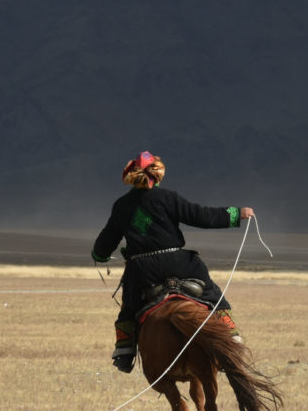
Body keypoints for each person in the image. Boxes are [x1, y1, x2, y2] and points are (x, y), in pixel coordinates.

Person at [92, 151, 254, 373]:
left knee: (129, 307)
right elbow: (200, 216)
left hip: (142, 269)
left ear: (131, 175)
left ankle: (125, 350)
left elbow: (108, 238)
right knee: (212, 294)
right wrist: (236, 214)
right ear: (158, 174)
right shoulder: (168, 197)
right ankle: (231, 335)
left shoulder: (122, 205)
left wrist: (99, 255)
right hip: (179, 262)